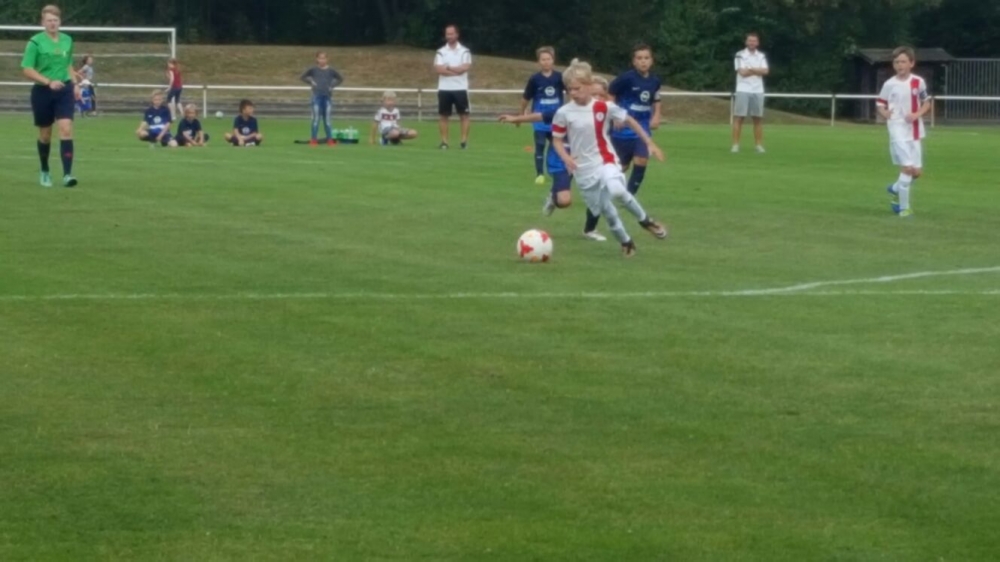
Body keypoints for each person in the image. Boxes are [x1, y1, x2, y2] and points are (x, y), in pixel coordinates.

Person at [550, 59, 668, 257]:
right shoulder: (563, 112)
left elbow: (630, 120)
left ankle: (645, 221)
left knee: (617, 189)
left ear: (589, 85)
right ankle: (626, 241)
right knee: (607, 211)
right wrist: (566, 158)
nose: (573, 93)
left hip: (605, 159)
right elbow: (557, 140)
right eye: (570, 89)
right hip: (583, 169)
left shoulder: (604, 107)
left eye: (577, 88)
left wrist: (649, 143)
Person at [20, 4, 80, 187]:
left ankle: (67, 175)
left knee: (66, 128)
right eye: (49, 20)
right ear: (43, 22)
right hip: (43, 91)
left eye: (55, 20)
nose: (52, 23)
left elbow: (68, 64)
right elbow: (27, 69)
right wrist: (48, 81)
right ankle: (45, 170)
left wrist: (75, 84)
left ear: (60, 21)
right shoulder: (35, 42)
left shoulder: (68, 40)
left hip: (64, 90)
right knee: (45, 134)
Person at [876, 47, 931, 219]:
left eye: (903, 61)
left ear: (911, 63)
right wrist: (885, 113)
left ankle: (894, 189)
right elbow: (880, 103)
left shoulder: (918, 82)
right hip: (897, 130)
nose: (899, 65)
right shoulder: (889, 84)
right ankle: (904, 209)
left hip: (914, 131)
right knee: (907, 168)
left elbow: (927, 102)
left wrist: (917, 114)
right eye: (897, 62)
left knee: (916, 172)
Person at [520, 46, 565, 184]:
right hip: (539, 119)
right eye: (543, 59)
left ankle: (554, 170)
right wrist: (521, 114)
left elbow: (571, 91)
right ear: (538, 62)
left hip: (556, 119)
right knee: (539, 145)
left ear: (553, 60)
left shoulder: (560, 77)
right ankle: (539, 174)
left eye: (548, 59)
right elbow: (526, 97)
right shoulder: (535, 79)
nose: (546, 62)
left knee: (555, 146)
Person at [433, 24, 472, 149]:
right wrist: (456, 71)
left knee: (464, 115)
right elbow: (439, 69)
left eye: (451, 34)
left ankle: (464, 141)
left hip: (460, 88)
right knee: (443, 116)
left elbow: (464, 68)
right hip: (444, 88)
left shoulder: (465, 51)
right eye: (447, 34)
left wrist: (448, 67)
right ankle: (444, 142)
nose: (449, 36)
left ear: (457, 35)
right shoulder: (441, 51)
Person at [731, 32, 769, 153]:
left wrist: (750, 69)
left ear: (757, 43)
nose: (752, 43)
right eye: (750, 40)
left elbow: (766, 71)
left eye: (754, 41)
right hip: (743, 89)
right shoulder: (740, 55)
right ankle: (735, 145)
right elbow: (742, 72)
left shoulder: (761, 55)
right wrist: (757, 70)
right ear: (746, 42)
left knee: (757, 118)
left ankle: (758, 145)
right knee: (739, 118)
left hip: (758, 90)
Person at [301, 51, 344, 146]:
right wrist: (311, 82)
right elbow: (303, 77)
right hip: (317, 96)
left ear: (327, 59)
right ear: (317, 59)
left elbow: (340, 78)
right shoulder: (313, 69)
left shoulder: (331, 70)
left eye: (324, 58)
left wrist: (332, 85)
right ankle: (314, 139)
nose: (322, 60)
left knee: (327, 119)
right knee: (316, 118)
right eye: (320, 58)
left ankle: (329, 139)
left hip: (327, 97)